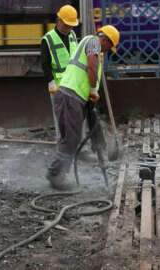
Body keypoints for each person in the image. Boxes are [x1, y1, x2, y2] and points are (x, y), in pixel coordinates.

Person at [45, 25, 120, 190]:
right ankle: (55, 174)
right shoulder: (93, 42)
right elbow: (91, 66)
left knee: (72, 137)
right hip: (70, 96)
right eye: (109, 47)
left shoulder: (92, 44)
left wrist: (90, 99)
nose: (107, 51)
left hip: (73, 98)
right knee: (72, 138)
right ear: (106, 40)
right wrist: (93, 91)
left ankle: (59, 173)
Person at [41, 4, 78, 140]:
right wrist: (50, 82)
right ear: (59, 20)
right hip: (59, 85)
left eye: (71, 25)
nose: (69, 28)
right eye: (67, 25)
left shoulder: (73, 35)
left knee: (77, 117)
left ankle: (77, 145)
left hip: (75, 84)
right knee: (61, 118)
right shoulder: (48, 39)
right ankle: (62, 146)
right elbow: (45, 64)